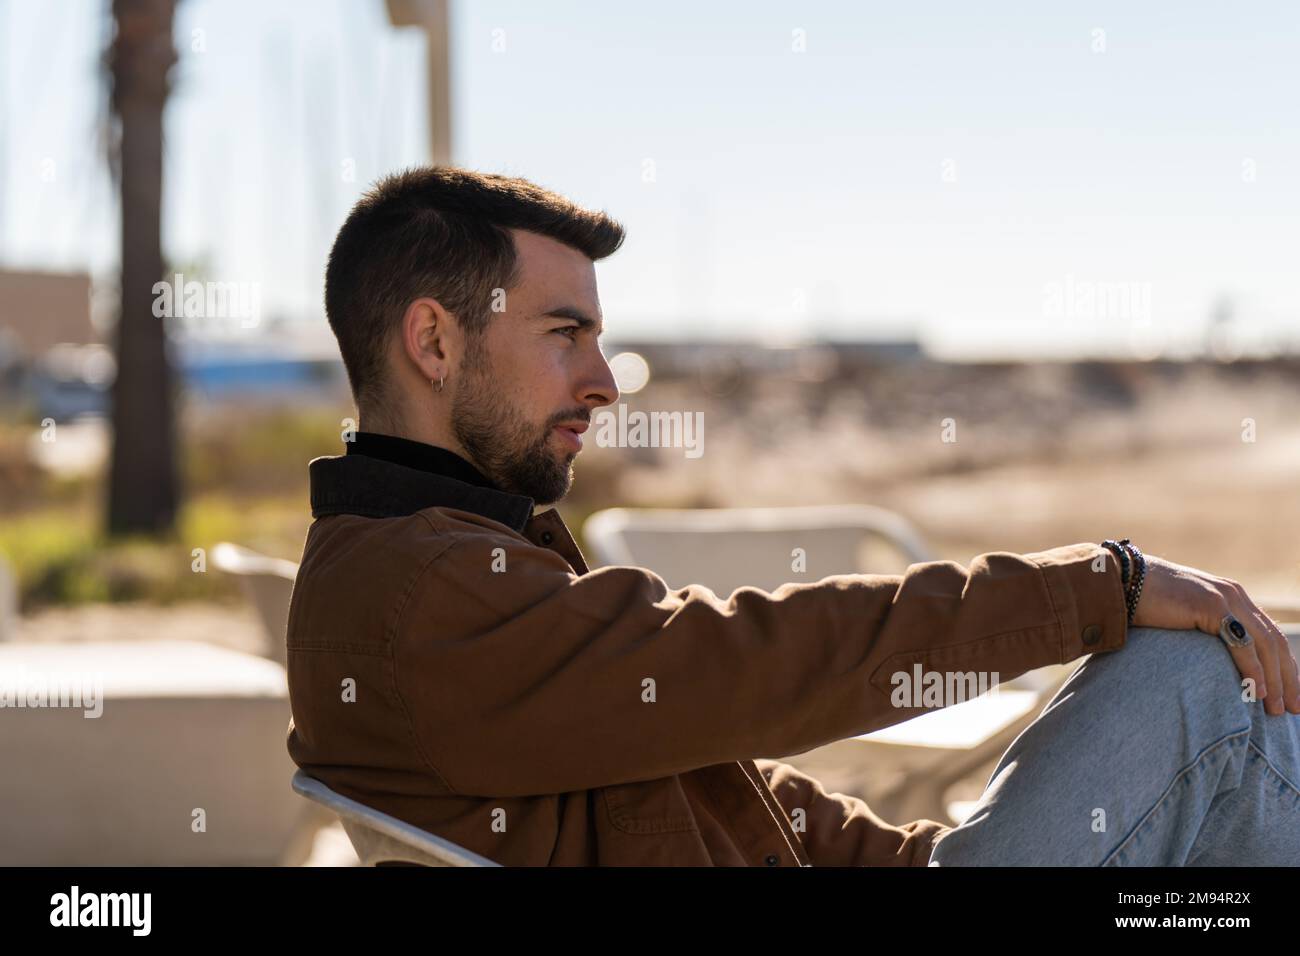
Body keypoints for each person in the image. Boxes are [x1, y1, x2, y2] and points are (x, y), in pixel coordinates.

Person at [285, 166, 1300, 866]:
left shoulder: (424, 565)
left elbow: (700, 783)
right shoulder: (424, 591)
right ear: (433, 341)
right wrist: (1096, 583)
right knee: (1199, 683)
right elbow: (756, 659)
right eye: (565, 333)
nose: (602, 381)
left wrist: (922, 854)